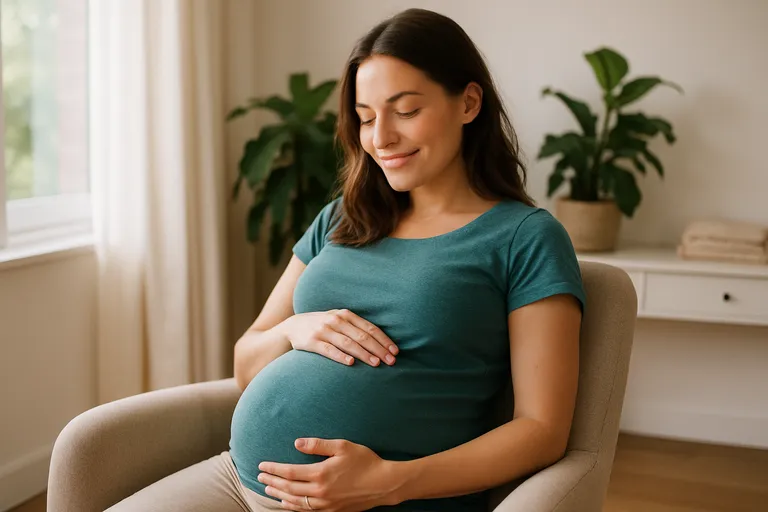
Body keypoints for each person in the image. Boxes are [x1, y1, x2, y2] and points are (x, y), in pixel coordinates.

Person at [107, 8, 585, 512]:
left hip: (382, 500)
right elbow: (246, 361)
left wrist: (393, 481)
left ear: (468, 103)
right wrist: (295, 329)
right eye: (366, 118)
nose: (381, 138)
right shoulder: (343, 217)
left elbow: (542, 430)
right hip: (238, 481)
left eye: (405, 111)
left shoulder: (524, 238)